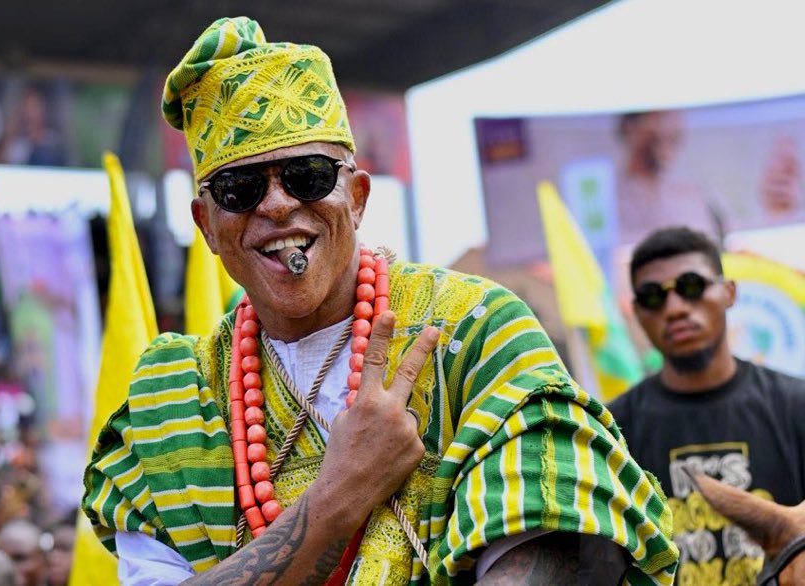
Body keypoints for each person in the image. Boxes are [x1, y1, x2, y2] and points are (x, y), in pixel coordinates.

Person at [83, 17, 679, 585]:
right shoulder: (173, 399)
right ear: (207, 226)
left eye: (308, 176)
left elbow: (558, 547)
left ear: (358, 196)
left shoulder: (473, 332)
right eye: (240, 189)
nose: (276, 206)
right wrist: (343, 490)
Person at [608, 226, 805, 585]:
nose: (676, 308)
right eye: (653, 297)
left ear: (729, 292)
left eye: (692, 287)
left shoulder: (796, 407)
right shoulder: (611, 431)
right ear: (637, 313)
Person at [616, 111, 722, 245]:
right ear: (629, 128)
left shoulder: (689, 193)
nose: (667, 126)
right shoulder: (611, 195)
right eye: (659, 116)